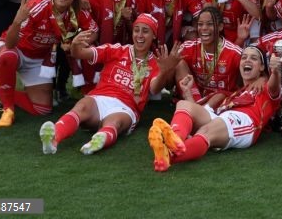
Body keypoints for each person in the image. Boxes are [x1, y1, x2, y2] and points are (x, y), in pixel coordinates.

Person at [39, 14, 181, 155]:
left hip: (127, 106)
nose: (139, 35)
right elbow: (80, 54)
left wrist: (164, 71)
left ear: (154, 35)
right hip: (100, 98)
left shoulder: (155, 62)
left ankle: (99, 140)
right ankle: (53, 138)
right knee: (81, 106)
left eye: (145, 31)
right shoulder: (116, 50)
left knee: (114, 122)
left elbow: (154, 89)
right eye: (136, 30)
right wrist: (75, 45)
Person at [0, 0, 98, 127]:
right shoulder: (37, 7)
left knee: (42, 109)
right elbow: (10, 44)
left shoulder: (79, 10)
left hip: (38, 59)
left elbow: (94, 32)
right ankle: (8, 109)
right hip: (12, 49)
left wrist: (76, 42)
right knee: (9, 56)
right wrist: (17, 21)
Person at [146, 45, 282, 171]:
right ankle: (175, 139)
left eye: (253, 58)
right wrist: (187, 92)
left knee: (206, 131)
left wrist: (275, 72)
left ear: (262, 67)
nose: (247, 60)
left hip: (246, 121)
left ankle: (169, 156)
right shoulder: (233, 94)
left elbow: (274, 88)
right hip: (223, 118)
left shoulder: (265, 87)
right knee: (183, 104)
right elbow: (200, 113)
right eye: (244, 57)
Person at [174, 6, 243, 101]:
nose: (204, 28)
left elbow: (250, 75)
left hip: (222, 101)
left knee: (219, 96)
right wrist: (165, 69)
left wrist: (261, 78)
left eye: (210, 24)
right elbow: (169, 82)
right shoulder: (188, 47)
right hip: (195, 99)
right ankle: (195, 104)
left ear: (220, 27)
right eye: (200, 24)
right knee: (179, 62)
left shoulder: (235, 53)